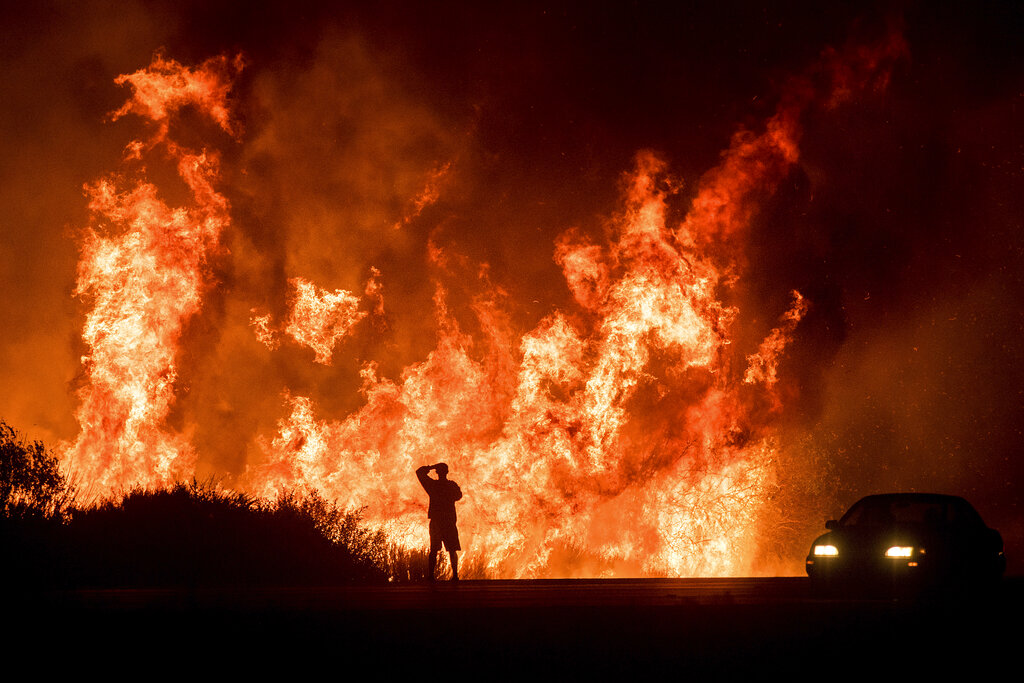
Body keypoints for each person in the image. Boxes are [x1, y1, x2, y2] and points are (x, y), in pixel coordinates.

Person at [416, 462, 463, 581]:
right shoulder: (451, 485)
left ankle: (431, 576)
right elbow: (459, 495)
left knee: (434, 550)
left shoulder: (432, 486)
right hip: (448, 521)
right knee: (452, 550)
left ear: (437, 472)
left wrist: (431, 467)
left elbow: (419, 472)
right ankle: (455, 576)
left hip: (437, 521)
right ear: (447, 472)